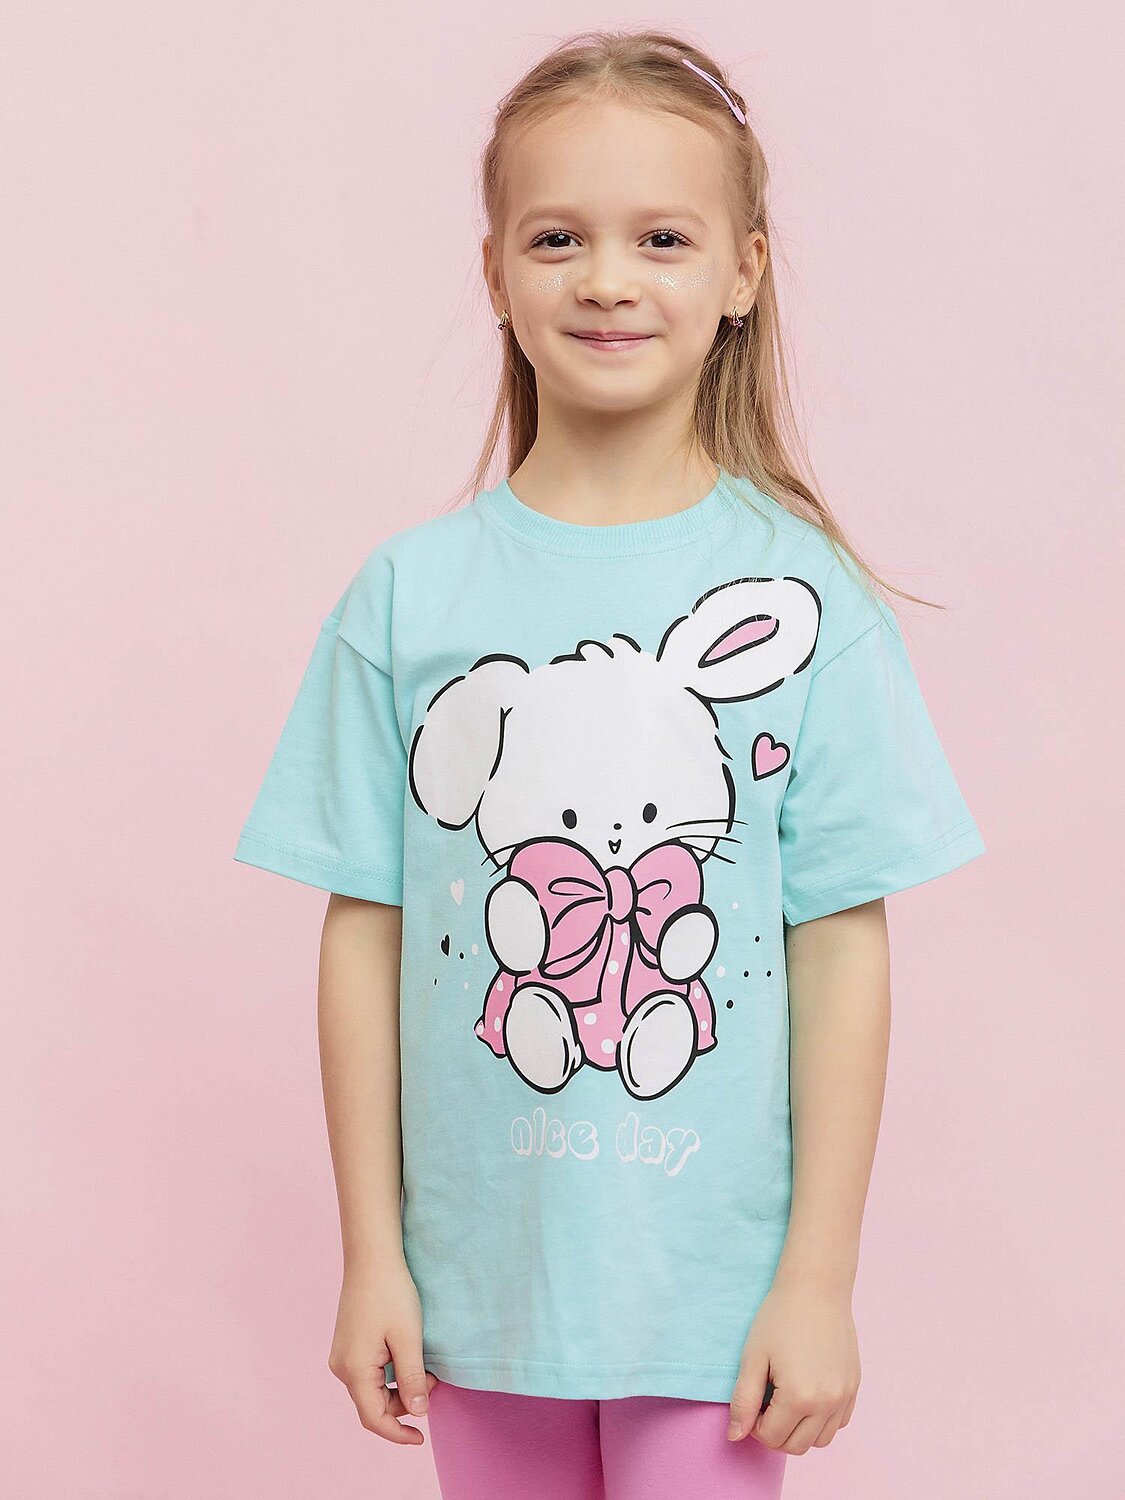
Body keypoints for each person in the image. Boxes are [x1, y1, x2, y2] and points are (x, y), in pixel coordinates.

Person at [233, 28, 986, 1500]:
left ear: (743, 272)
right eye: (557, 237)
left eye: (662, 237)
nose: (607, 279)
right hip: (478, 1291)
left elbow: (839, 945)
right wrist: (373, 1255)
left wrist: (817, 1279)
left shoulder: (809, 601)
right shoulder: (409, 599)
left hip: (715, 1304)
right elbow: (364, 931)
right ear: (495, 271)